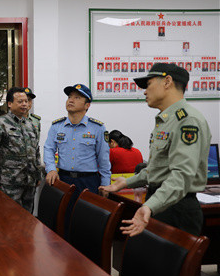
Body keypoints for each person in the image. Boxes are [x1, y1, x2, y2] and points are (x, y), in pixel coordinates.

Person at [101, 63, 210, 237]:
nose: (145, 91)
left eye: (149, 84)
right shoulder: (166, 120)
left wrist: (150, 206)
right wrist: (126, 183)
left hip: (175, 208)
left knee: (170, 264)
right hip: (161, 201)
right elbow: (157, 170)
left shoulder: (187, 120)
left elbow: (181, 175)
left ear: (167, 81)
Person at [44, 83, 111, 230]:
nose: (70, 100)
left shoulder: (98, 128)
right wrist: (51, 169)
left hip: (88, 182)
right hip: (64, 180)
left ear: (87, 105)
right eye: (69, 97)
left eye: (77, 97)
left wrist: (105, 184)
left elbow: (104, 159)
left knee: (86, 223)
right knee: (62, 221)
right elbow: (48, 149)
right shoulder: (57, 126)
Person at [0, 87, 42, 212]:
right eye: (20, 101)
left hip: (29, 180)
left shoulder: (30, 124)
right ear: (10, 104)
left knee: (28, 217)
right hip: (9, 181)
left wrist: (38, 174)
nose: (24, 104)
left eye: (26, 101)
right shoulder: (0, 123)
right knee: (10, 216)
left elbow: (36, 150)